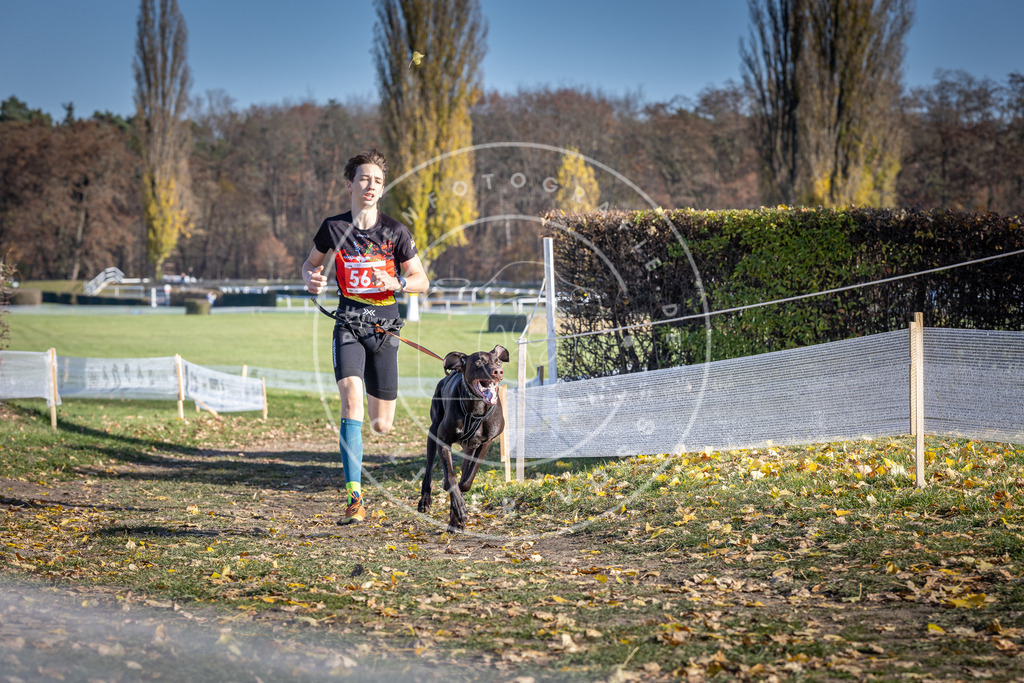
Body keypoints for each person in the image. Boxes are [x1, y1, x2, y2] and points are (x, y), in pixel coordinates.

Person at [301, 148, 429, 524]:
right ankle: (354, 499)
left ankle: (374, 432)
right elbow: (310, 265)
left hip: (386, 329)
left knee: (381, 425)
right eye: (363, 179)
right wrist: (311, 279)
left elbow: (422, 281)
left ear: (382, 188)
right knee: (350, 399)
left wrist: (398, 281)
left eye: (377, 181)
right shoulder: (333, 228)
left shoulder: (395, 231)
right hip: (349, 325)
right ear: (350, 185)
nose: (370, 186)